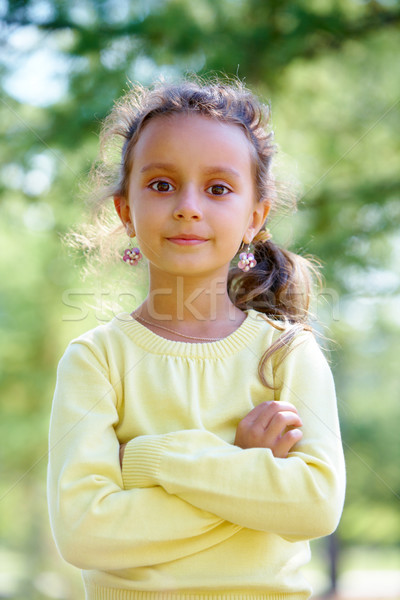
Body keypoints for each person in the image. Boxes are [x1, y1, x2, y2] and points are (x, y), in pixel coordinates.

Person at [47, 77, 346, 600]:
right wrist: (244, 472)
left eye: (218, 188)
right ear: (125, 212)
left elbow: (315, 506)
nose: (188, 206)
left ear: (255, 217)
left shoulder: (286, 355)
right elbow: (83, 532)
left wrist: (149, 462)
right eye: (162, 185)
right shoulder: (96, 360)